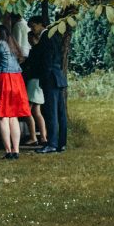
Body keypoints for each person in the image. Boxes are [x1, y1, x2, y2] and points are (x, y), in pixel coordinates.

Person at [28, 15, 68, 154]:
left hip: (50, 77)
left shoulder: (45, 38)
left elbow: (44, 61)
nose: (32, 30)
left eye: (33, 26)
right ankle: (61, 143)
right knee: (60, 112)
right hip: (57, 76)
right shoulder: (54, 36)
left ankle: (52, 143)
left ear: (41, 24)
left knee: (51, 112)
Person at [0, 24, 30, 159]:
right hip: (17, 80)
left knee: (3, 117)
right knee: (13, 117)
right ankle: (16, 150)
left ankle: (8, 151)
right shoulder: (12, 44)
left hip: (4, 78)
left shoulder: (0, 44)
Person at [21, 26, 48, 147]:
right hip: (39, 82)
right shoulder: (40, 50)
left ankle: (33, 136)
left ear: (34, 37)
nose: (28, 41)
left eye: (29, 38)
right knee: (37, 111)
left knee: (27, 109)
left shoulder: (35, 50)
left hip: (33, 81)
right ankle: (43, 136)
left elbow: (28, 65)